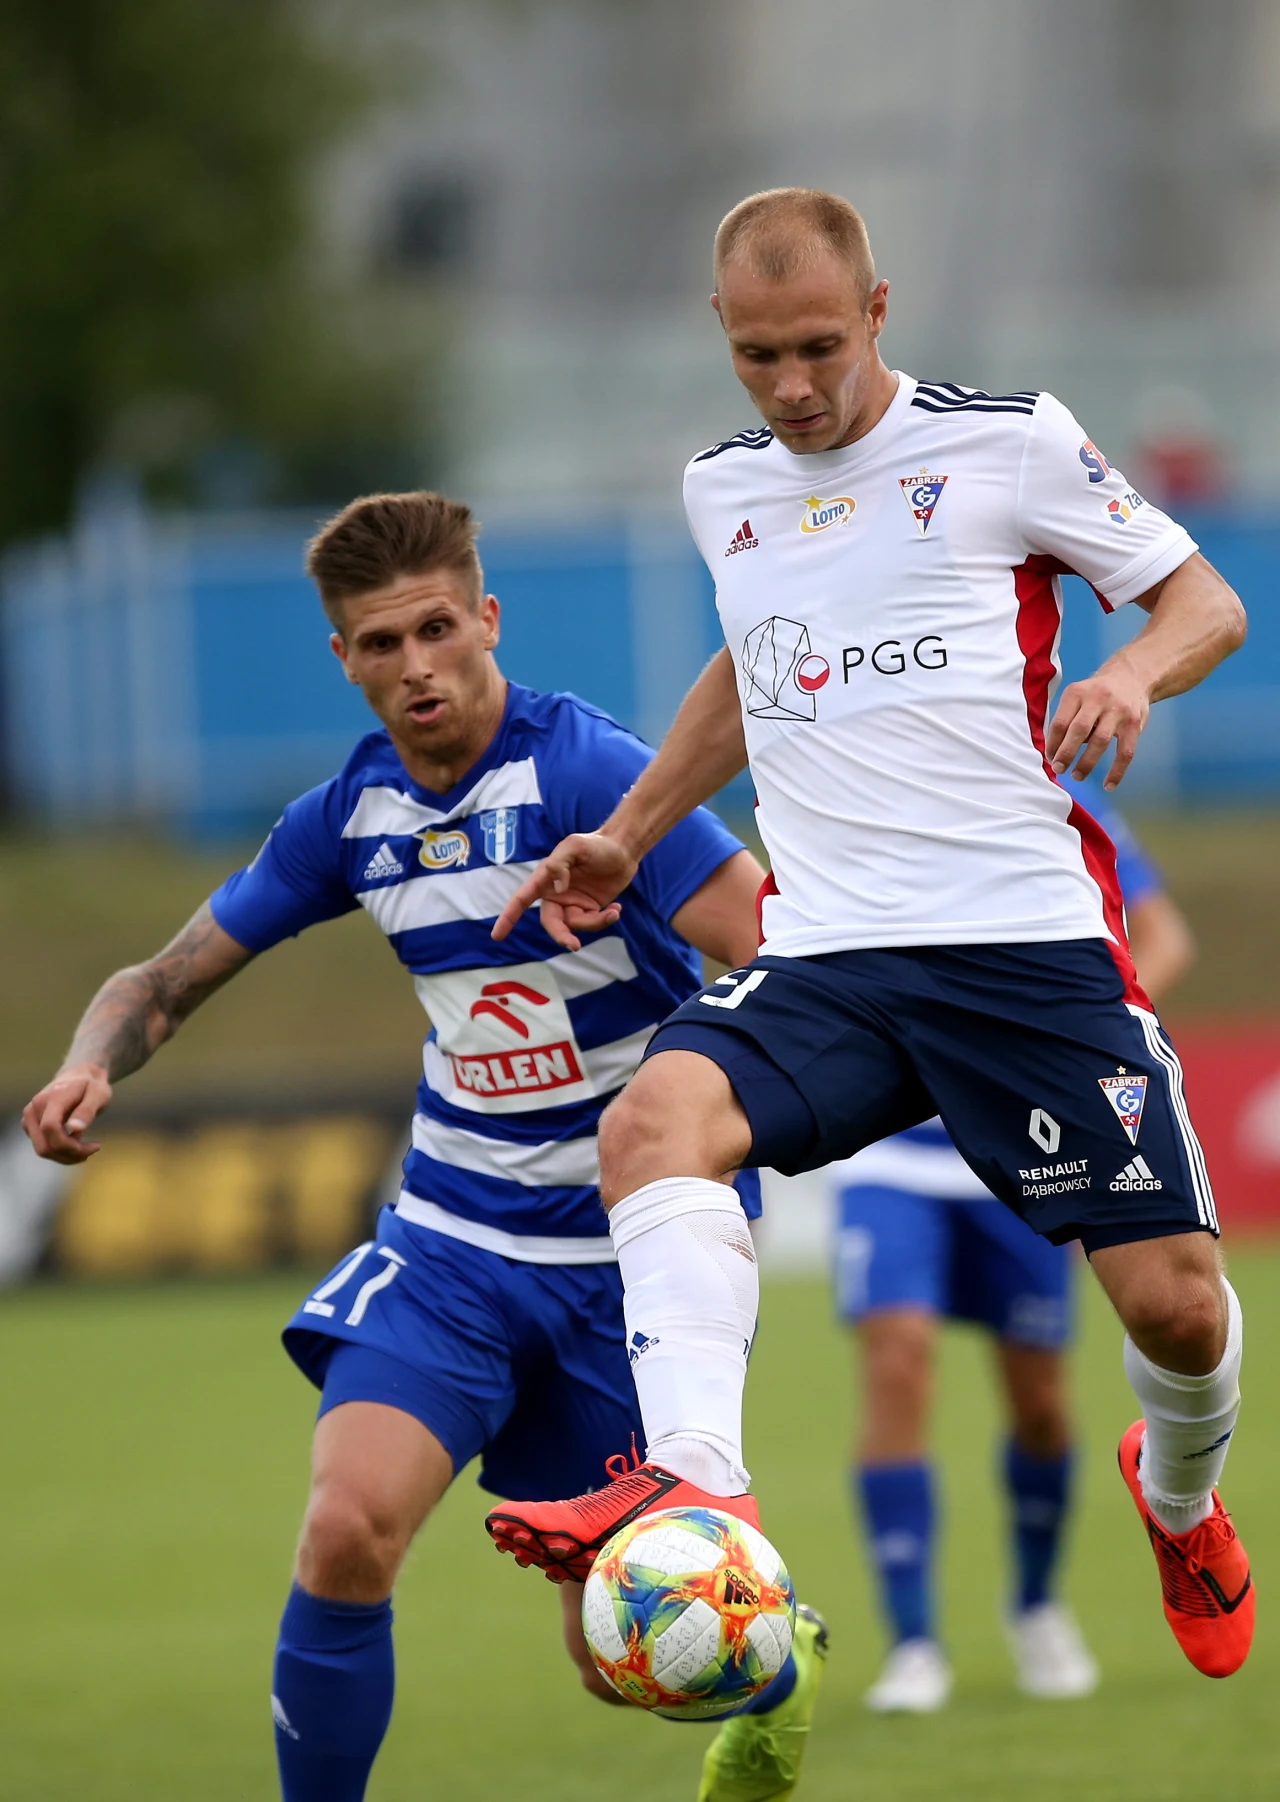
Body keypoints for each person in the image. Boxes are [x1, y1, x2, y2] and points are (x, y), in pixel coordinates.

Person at [483, 186, 1255, 1688]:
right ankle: (695, 1484)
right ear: (721, 331)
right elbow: (751, 665)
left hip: (1022, 945)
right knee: (651, 1123)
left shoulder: (1009, 441)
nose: (791, 385)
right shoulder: (723, 488)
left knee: (1176, 1306)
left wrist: (1132, 675)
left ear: (878, 311)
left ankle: (1178, 1500)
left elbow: (1204, 601)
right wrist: (630, 832)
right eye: (757, 354)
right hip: (832, 951)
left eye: (819, 346)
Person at [20, 491, 828, 1802]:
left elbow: (776, 949)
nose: (417, 666)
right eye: (382, 643)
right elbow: (161, 979)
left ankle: (776, 1659)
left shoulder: (589, 774)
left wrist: (719, 1106)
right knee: (346, 1529)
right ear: (344, 657)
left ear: (487, 619)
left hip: (623, 1264)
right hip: (451, 1241)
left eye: (438, 628)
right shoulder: (349, 816)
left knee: (612, 1656)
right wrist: (86, 1063)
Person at [838, 797, 1196, 1712]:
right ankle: (913, 1642)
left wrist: (1083, 1040)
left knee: (1038, 1400)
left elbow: (1163, 937)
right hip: (891, 1150)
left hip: (1029, 1144)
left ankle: (1036, 1606)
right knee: (897, 1360)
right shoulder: (868, 776)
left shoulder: (1059, 791)